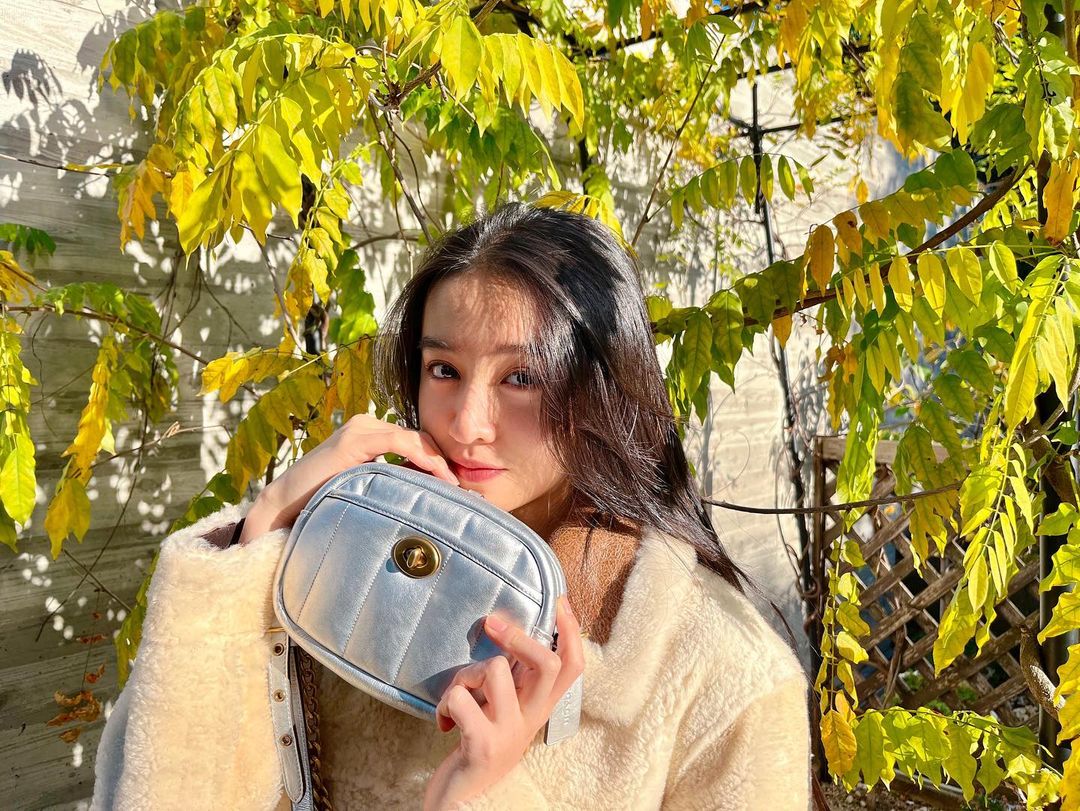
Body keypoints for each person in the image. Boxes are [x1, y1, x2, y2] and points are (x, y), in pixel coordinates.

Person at [90, 203, 810, 810]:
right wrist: (265, 528)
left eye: (522, 376)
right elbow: (150, 779)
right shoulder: (338, 572)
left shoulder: (724, 679)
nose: (467, 423)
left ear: (603, 388)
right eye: (444, 369)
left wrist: (473, 796)